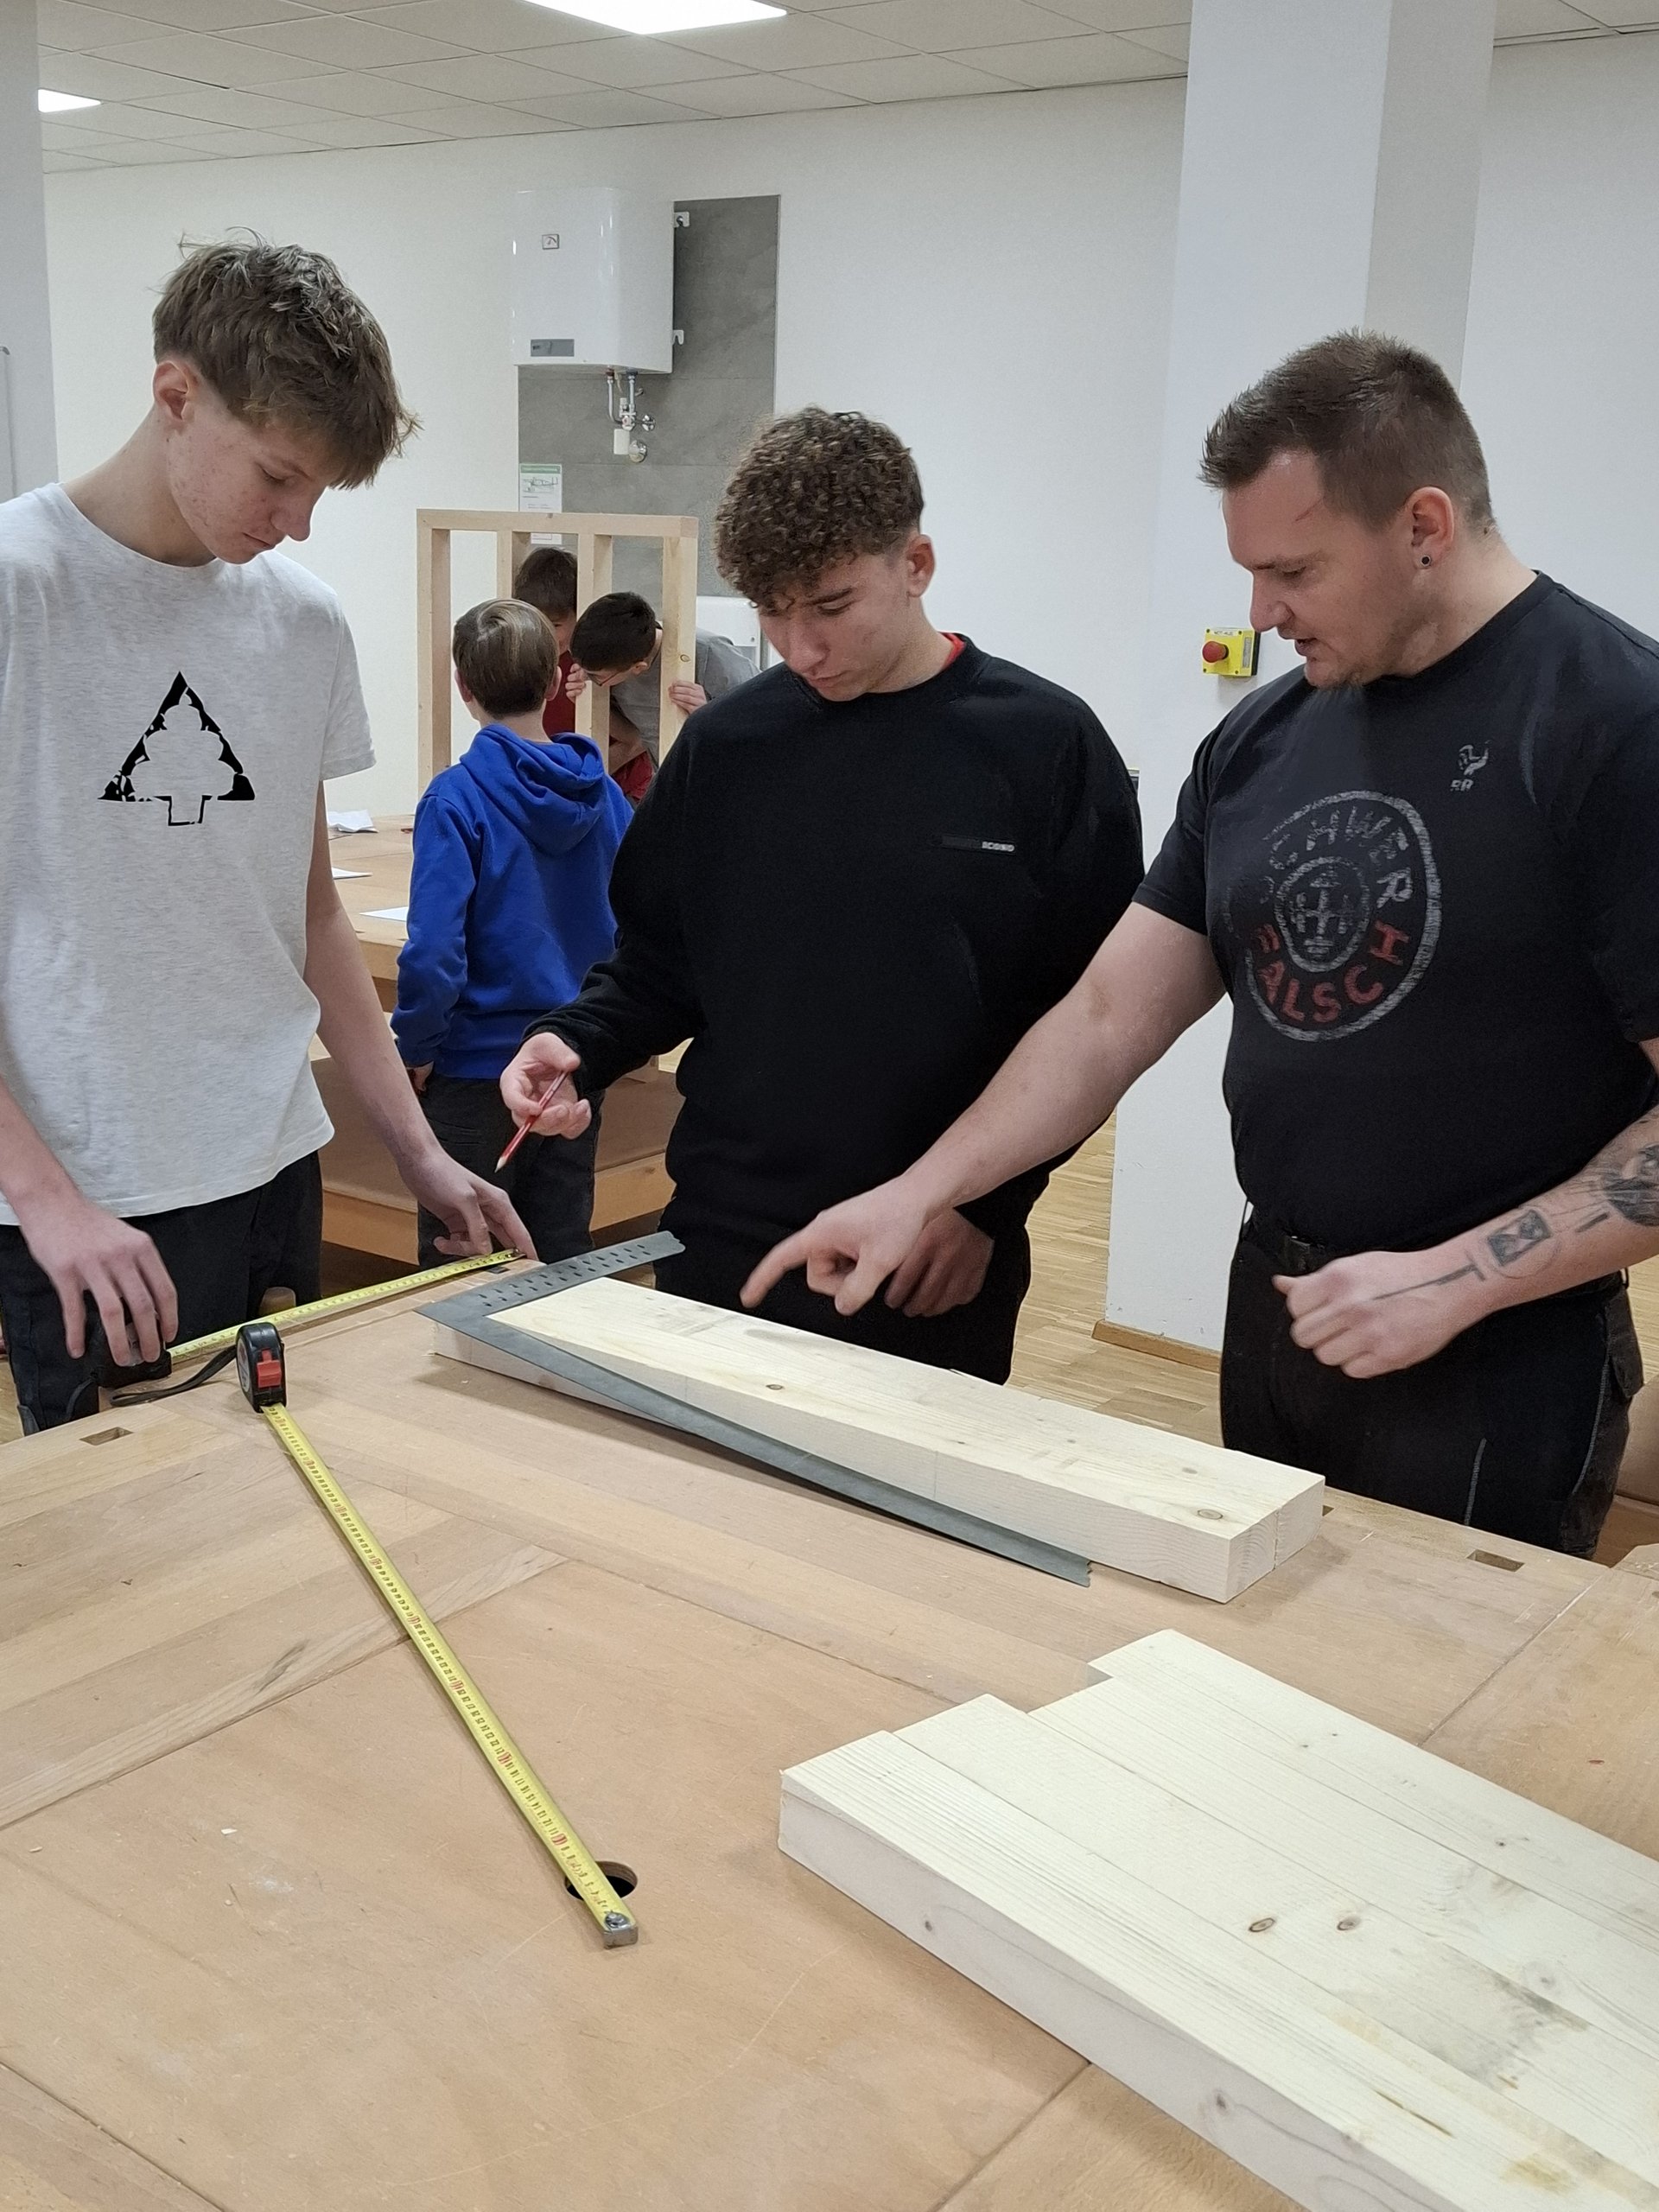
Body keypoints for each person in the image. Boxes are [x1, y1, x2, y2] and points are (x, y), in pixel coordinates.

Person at [745, 334, 1659, 1557]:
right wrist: (920, 1193)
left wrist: (1459, 1279)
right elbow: (1105, 1019)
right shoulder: (1264, 738)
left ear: (1425, 526)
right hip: (1278, 1304)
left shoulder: (1615, 724)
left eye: (1292, 571)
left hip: (1499, 1348)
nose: (1260, 614)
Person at [0, 238, 529, 1430]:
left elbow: (310, 915)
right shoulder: (18, 589)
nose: (295, 524)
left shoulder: (302, 624)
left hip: (273, 1161)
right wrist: (47, 1202)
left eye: (319, 494)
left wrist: (416, 1151)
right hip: (89, 1196)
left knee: (283, 1499)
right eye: (278, 477)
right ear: (176, 394)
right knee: (127, 1531)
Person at [499, 408, 1142, 1384]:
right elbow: (660, 966)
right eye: (771, 611)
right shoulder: (727, 749)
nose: (800, 647)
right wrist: (578, 1042)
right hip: (725, 1233)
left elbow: (1090, 1022)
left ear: (916, 564)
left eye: (832, 607)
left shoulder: (1046, 748)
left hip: (929, 1254)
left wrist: (984, 1208)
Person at [393, 598, 630, 1265]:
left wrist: (417, 1043)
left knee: (462, 1257)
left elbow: (434, 950)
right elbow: (635, 925)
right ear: (555, 682)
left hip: (473, 1065)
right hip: (567, 1063)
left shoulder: (455, 798)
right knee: (559, 1247)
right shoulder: (608, 797)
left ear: (463, 686)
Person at [565, 588, 756, 804]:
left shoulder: (708, 655)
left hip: (731, 789)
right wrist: (589, 701)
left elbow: (763, 722)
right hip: (673, 790)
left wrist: (710, 714)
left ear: (638, 668)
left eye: (595, 676)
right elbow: (633, 737)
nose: (586, 676)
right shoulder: (616, 664)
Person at [512, 543, 579, 741]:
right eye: (536, 622)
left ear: (579, 615)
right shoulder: (519, 661)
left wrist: (590, 698)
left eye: (555, 625)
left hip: (597, 758)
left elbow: (635, 738)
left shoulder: (593, 662)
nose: (545, 635)